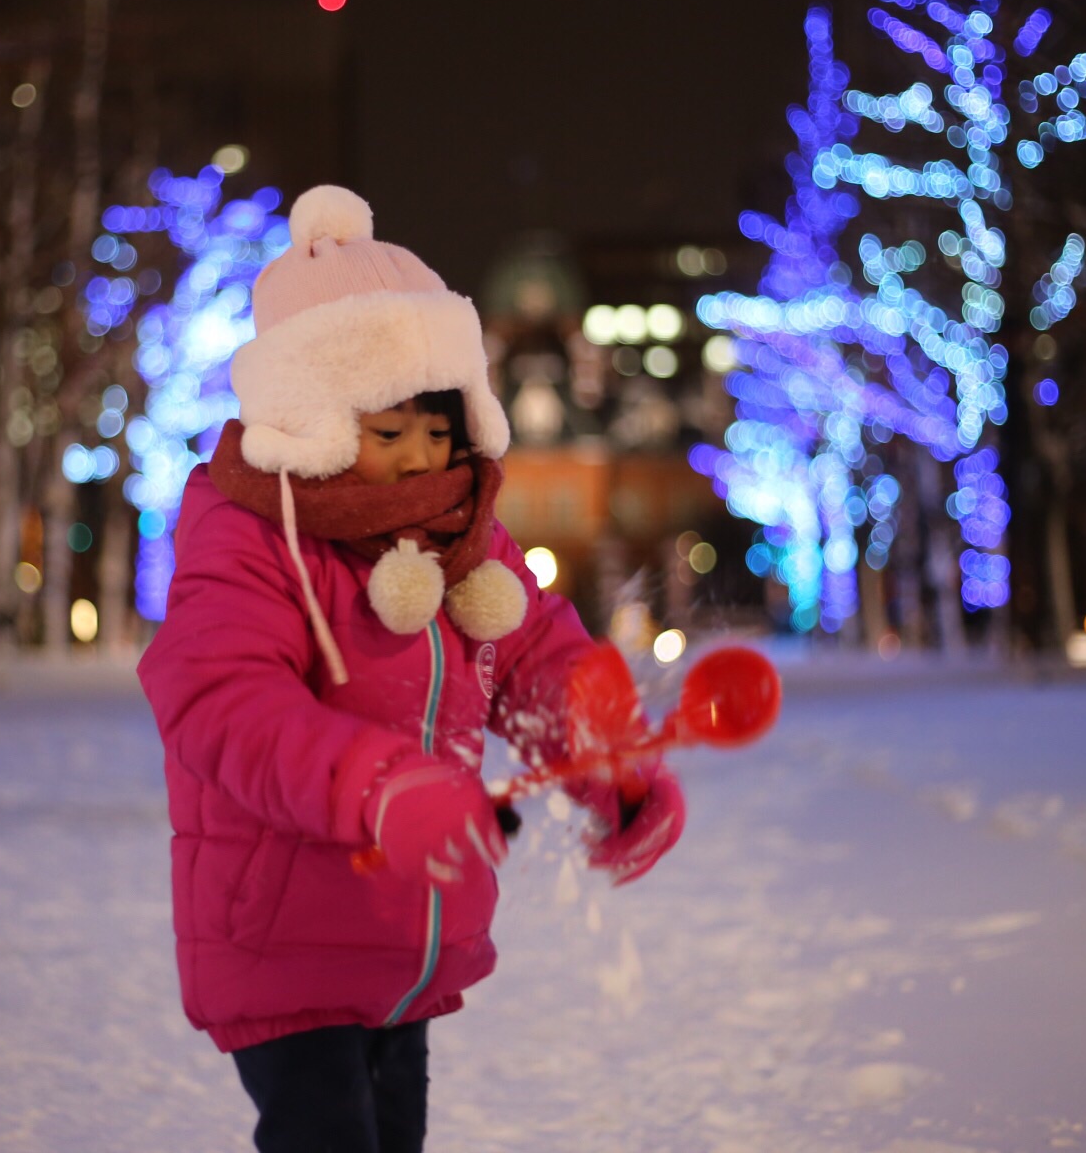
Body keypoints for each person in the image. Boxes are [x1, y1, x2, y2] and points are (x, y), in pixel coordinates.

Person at [138, 185, 686, 1153]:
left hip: (407, 929)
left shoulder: (457, 529)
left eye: (437, 430)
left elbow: (537, 653)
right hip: (285, 932)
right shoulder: (251, 530)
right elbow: (221, 700)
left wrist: (606, 755)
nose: (419, 461)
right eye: (388, 435)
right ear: (312, 415)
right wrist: (380, 785)